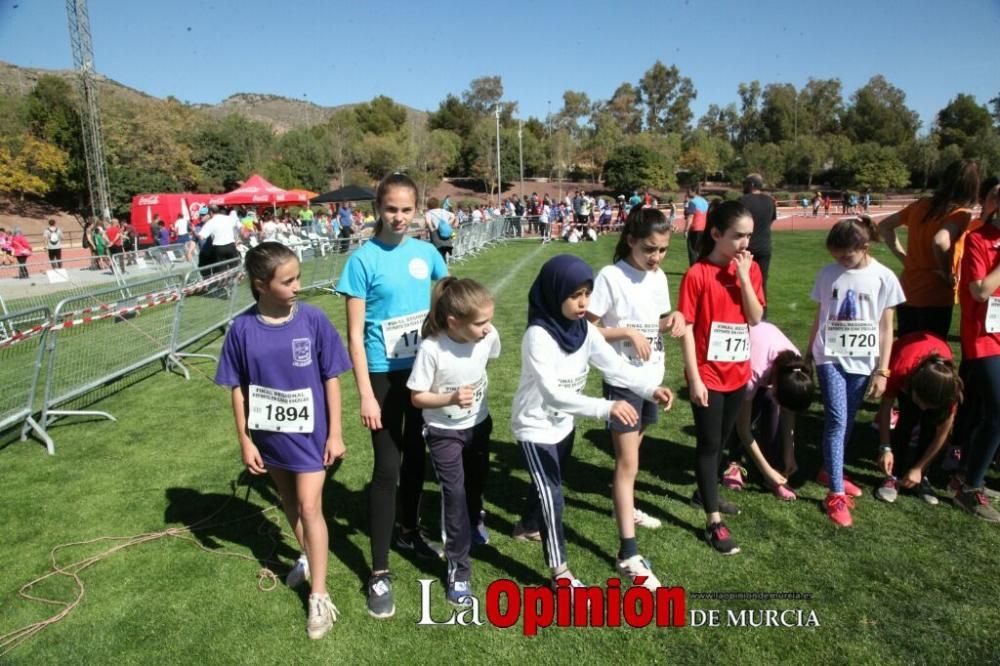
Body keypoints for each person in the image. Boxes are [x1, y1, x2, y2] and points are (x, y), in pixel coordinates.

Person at [511, 254, 673, 592]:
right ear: (554, 294)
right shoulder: (538, 337)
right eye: (574, 295)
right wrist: (607, 407)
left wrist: (648, 388)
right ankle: (561, 574)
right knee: (553, 497)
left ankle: (526, 525)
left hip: (563, 425)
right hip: (535, 428)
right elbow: (553, 395)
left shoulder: (584, 329)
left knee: (546, 485)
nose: (584, 302)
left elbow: (615, 367)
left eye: (587, 293)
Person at [214, 242, 351, 640]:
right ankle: (307, 557)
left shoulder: (312, 320)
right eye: (287, 281)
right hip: (269, 435)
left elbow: (331, 377)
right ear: (260, 285)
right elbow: (237, 388)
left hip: (311, 436)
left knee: (311, 507)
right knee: (289, 503)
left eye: (298, 278)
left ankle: (319, 597)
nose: (297, 286)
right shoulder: (241, 329)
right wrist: (245, 440)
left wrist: (336, 432)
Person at [336, 172, 448, 619]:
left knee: (419, 458)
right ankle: (379, 571)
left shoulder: (427, 254)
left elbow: (446, 299)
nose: (399, 218)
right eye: (391, 209)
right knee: (387, 467)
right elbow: (354, 338)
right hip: (383, 376)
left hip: (423, 373)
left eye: (406, 209)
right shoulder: (362, 262)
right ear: (377, 210)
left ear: (417, 208)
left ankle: (408, 530)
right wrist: (365, 394)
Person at [586, 207, 684, 588]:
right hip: (623, 380)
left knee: (632, 460)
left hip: (650, 379)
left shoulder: (657, 277)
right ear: (630, 240)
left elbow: (654, 321)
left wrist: (672, 319)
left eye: (662, 250)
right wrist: (624, 331)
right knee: (627, 463)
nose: (656, 257)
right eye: (649, 249)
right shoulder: (611, 277)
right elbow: (586, 329)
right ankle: (628, 551)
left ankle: (624, 508)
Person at [677, 201, 764, 555]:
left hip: (738, 372)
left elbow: (756, 317)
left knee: (724, 440)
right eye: (738, 236)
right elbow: (686, 329)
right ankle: (713, 520)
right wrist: (694, 379)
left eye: (749, 236)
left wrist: (743, 277)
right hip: (708, 375)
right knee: (709, 445)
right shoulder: (697, 274)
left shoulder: (751, 270)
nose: (746, 243)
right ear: (716, 234)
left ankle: (704, 492)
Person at [407, 278, 500, 607]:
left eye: (489, 319)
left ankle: (476, 521)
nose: (488, 329)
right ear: (453, 322)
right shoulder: (433, 348)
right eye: (480, 322)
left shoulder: (488, 337)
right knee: (454, 495)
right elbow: (417, 397)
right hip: (444, 433)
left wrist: (473, 399)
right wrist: (449, 397)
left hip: (479, 424)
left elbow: (485, 361)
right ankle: (458, 569)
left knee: (477, 482)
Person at [807, 217, 905, 527]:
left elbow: (887, 328)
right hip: (830, 358)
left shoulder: (884, 278)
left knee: (847, 419)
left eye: (846, 255)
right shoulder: (828, 274)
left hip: (863, 361)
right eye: (835, 255)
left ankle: (829, 469)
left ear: (864, 248)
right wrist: (808, 352)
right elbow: (820, 315)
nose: (840, 261)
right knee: (836, 418)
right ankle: (835, 492)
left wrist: (883, 370)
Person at [878, 159, 980, 338]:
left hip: (908, 290)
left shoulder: (920, 205)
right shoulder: (960, 214)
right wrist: (947, 272)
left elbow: (884, 226)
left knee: (907, 353)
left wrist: (904, 257)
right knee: (931, 355)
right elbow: (940, 241)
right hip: (935, 294)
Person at [726, 322, 814, 500]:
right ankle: (734, 462)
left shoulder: (796, 369)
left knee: (772, 417)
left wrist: (789, 454)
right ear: (776, 385)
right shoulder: (754, 372)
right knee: (740, 416)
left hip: (768, 363)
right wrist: (767, 472)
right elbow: (744, 430)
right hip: (738, 361)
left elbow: (788, 412)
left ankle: (774, 469)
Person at [873, 332, 962, 506]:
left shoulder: (950, 392)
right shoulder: (900, 370)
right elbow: (885, 410)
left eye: (929, 406)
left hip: (930, 371)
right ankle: (893, 475)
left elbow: (943, 433)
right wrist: (885, 447)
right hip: (907, 356)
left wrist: (919, 468)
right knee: (907, 418)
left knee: (930, 425)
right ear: (912, 388)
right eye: (920, 402)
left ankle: (922, 476)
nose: (923, 408)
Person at [955, 180, 1000, 521]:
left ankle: (970, 472)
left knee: (988, 413)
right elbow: (980, 289)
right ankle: (970, 486)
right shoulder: (978, 239)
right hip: (984, 338)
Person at [739, 173, 778, 306]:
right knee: (762, 282)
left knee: (743, 280)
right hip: (764, 246)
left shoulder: (743, 201)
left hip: (747, 247)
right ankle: (762, 315)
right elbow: (771, 221)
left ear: (751, 185)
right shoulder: (770, 201)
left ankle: (744, 310)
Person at [681, 186, 709, 266]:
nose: (687, 193)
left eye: (688, 192)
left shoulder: (692, 202)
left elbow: (690, 217)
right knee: (700, 250)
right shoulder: (704, 201)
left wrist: (686, 230)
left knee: (692, 250)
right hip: (703, 228)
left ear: (693, 192)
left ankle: (693, 268)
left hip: (694, 229)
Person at [424, 197, 456, 262]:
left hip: (436, 237)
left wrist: (431, 229)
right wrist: (447, 223)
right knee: (443, 255)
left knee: (438, 255)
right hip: (446, 237)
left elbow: (428, 221)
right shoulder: (443, 211)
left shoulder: (429, 213)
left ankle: (442, 270)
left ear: (429, 205)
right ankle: (444, 268)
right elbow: (453, 216)